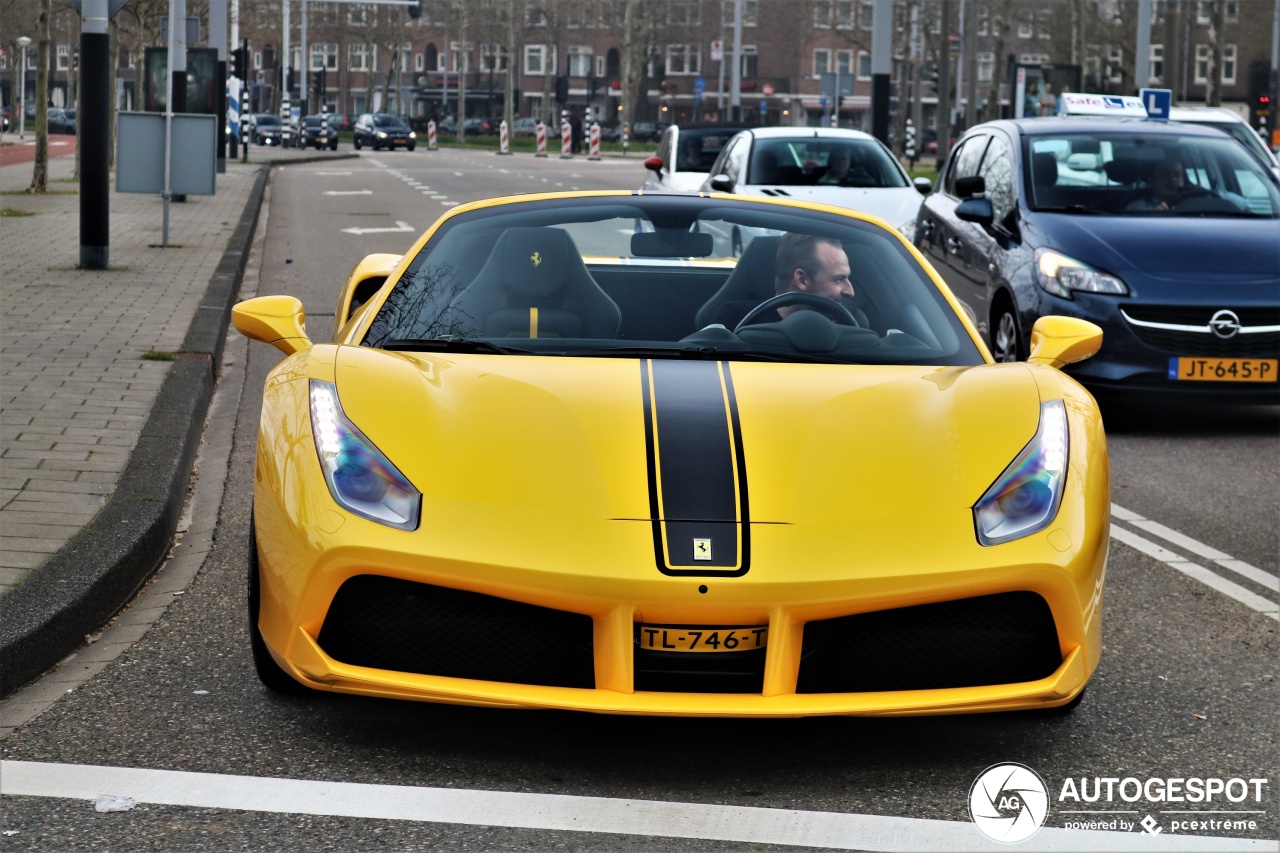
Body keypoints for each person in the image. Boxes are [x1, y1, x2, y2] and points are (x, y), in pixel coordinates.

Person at [709, 232, 854, 328]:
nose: (850, 291)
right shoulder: (735, 319)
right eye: (839, 279)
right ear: (802, 280)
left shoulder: (848, 326)